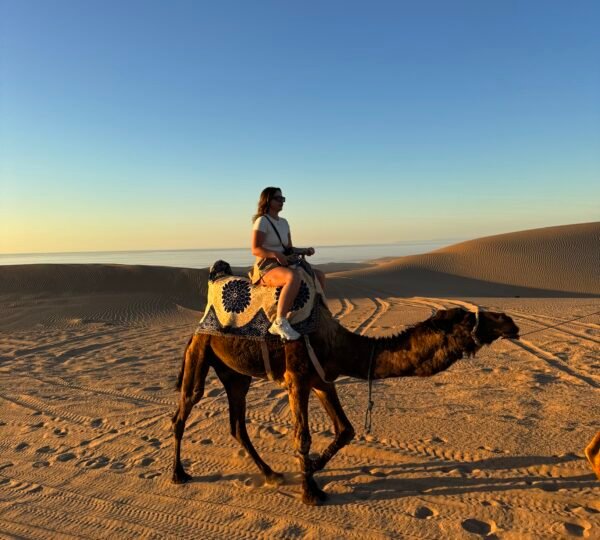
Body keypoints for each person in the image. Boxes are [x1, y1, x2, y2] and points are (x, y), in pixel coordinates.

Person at [250, 187, 325, 340]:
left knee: (319, 275)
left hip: (285, 263)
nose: (282, 201)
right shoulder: (262, 221)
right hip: (267, 266)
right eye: (278, 198)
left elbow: (289, 249)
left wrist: (303, 250)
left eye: (283, 199)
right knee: (293, 277)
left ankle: (318, 313)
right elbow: (255, 249)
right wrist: (275, 254)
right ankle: (280, 321)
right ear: (268, 200)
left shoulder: (284, 223)